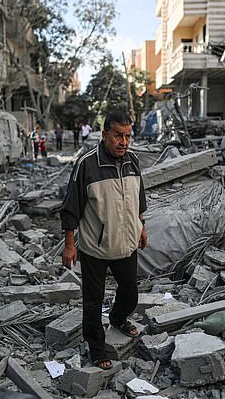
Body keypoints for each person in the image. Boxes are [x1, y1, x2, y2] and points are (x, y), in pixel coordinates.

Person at [60, 110, 147, 371]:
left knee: (130, 291)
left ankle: (118, 318)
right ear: (105, 134)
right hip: (95, 248)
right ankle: (96, 347)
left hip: (127, 242)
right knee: (93, 301)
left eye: (128, 136)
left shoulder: (133, 161)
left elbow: (138, 200)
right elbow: (70, 207)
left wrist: (141, 227)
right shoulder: (87, 164)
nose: (123, 142)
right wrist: (69, 244)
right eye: (118, 136)